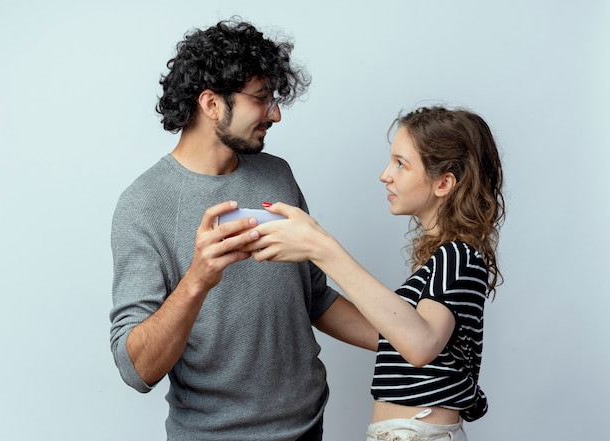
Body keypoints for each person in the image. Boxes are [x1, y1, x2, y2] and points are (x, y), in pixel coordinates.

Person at [109, 18, 377, 441]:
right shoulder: (143, 205)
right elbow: (136, 369)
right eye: (261, 99)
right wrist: (198, 279)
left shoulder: (277, 175)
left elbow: (314, 298)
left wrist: (407, 341)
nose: (276, 114)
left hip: (309, 424)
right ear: (211, 103)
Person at [249, 106, 505, 441]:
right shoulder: (445, 261)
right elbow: (405, 337)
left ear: (443, 183)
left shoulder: (456, 255)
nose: (386, 174)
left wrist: (322, 249)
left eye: (401, 163)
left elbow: (420, 344)